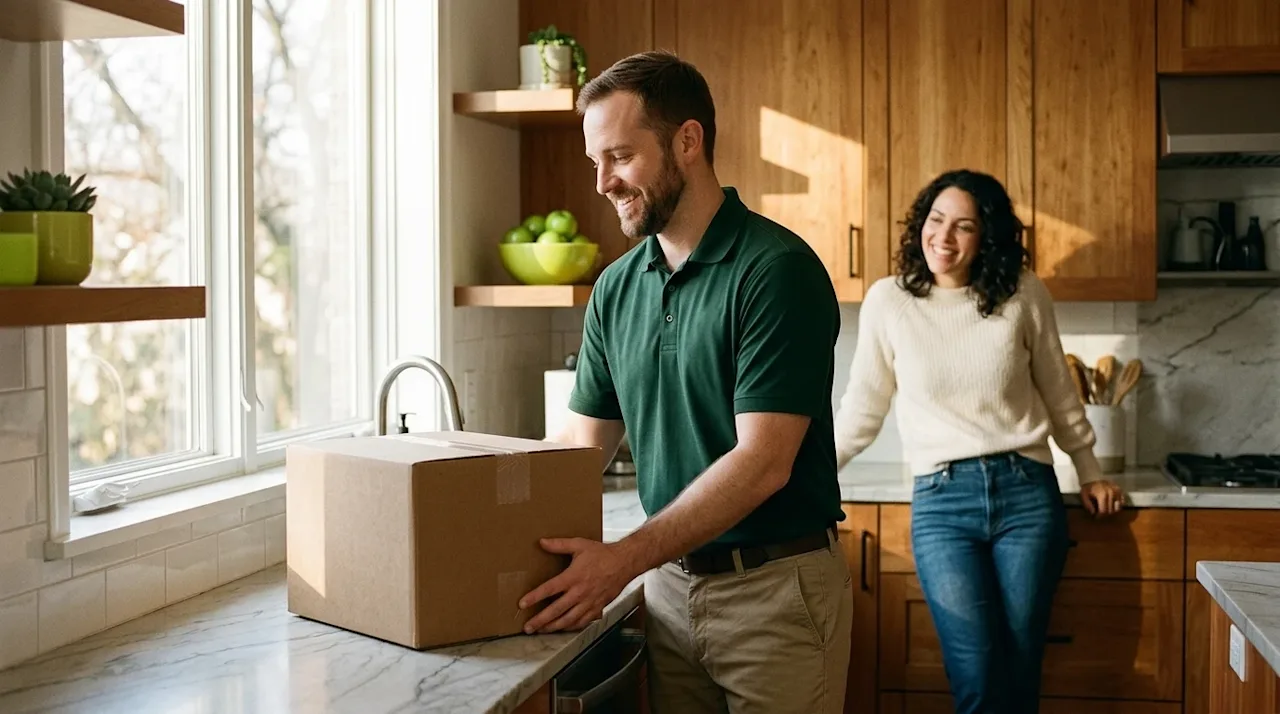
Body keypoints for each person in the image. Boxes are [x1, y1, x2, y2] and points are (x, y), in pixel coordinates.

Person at [517, 50, 853, 713]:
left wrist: (623, 559)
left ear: (688, 141)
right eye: (595, 163)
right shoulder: (616, 287)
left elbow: (763, 464)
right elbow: (580, 446)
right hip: (669, 592)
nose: (602, 183)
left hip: (775, 595)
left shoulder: (775, 270)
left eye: (619, 157)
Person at [833, 168, 1126, 714]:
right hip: (943, 506)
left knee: (1019, 669)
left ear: (985, 238)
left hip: (1027, 496)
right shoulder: (889, 302)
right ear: (920, 224)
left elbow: (1060, 393)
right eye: (935, 220)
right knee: (976, 675)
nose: (943, 238)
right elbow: (861, 411)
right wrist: (807, 480)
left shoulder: (1023, 293)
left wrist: (1090, 470)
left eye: (963, 227)